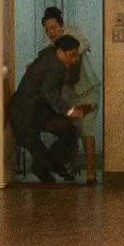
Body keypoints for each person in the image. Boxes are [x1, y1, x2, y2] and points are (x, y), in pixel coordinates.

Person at [9, 35, 89, 183]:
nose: (75, 59)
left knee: (68, 132)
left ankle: (49, 165)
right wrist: (70, 111)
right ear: (60, 52)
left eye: (76, 55)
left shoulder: (50, 58)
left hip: (33, 109)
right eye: (72, 55)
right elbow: (50, 94)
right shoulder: (55, 67)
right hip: (25, 114)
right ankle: (49, 166)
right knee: (61, 137)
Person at [41, 6, 101, 182]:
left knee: (86, 129)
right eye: (47, 30)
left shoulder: (72, 34)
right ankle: (72, 169)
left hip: (88, 91)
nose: (51, 32)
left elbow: (84, 45)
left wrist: (64, 53)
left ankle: (91, 173)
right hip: (68, 96)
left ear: (62, 26)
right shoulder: (47, 47)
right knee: (71, 130)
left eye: (54, 27)